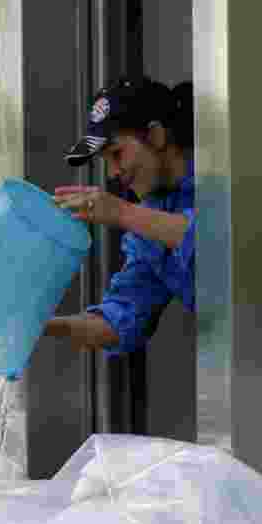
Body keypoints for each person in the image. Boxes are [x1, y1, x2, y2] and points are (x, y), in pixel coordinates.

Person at [49, 76, 195, 355]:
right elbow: (122, 319)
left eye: (117, 153)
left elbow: (220, 239)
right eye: (105, 162)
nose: (113, 173)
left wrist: (121, 212)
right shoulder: (149, 219)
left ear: (156, 136)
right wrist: (38, 326)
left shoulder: (223, 177)